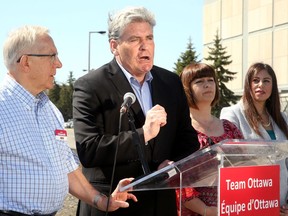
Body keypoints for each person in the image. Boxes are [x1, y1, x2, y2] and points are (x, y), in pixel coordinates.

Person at [72, 6, 200, 216]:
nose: (144, 46)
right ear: (114, 46)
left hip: (160, 205)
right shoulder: (90, 86)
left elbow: (187, 139)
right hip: (112, 205)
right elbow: (89, 150)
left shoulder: (170, 82)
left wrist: (174, 164)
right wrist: (144, 134)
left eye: (149, 38)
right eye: (134, 39)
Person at [0, 25, 137, 216]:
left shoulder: (50, 111)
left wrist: (103, 201)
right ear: (25, 62)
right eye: (52, 56)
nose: (59, 64)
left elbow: (67, 169)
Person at [220, 62, 288, 215]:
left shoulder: (283, 118)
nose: (260, 85)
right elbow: (230, 161)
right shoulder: (232, 114)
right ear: (248, 84)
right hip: (250, 201)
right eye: (255, 80)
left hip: (281, 203)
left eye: (266, 81)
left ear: (273, 85)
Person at [176, 63, 243, 216]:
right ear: (186, 89)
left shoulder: (230, 128)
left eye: (210, 80)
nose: (207, 85)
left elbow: (244, 165)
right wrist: (206, 210)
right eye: (199, 81)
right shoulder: (181, 130)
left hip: (231, 208)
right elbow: (178, 179)